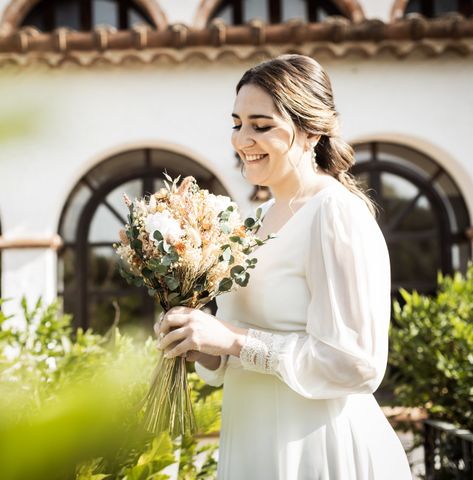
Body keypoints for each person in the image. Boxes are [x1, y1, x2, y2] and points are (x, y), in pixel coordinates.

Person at [155, 54, 412, 479]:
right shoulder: (251, 223)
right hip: (253, 444)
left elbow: (358, 363)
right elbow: (236, 342)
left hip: (318, 449)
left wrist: (233, 340)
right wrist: (197, 340)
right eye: (237, 123)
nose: (242, 140)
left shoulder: (335, 214)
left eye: (261, 125)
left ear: (311, 132)